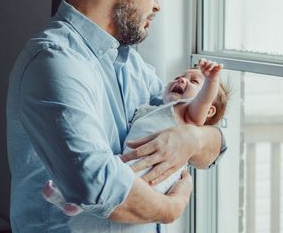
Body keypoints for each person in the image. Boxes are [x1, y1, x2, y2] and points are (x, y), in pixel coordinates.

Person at [6, 0, 227, 232]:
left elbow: (214, 142)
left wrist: (191, 137)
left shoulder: (130, 64)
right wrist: (170, 207)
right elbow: (97, 186)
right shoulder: (53, 62)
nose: (157, 5)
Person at [42, 59, 229, 216]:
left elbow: (203, 101)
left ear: (208, 111)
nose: (182, 80)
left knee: (110, 181)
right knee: (108, 178)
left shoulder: (189, 114)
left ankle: (76, 203)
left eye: (195, 81)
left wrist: (212, 80)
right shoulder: (158, 107)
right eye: (180, 77)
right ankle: (75, 203)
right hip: (136, 162)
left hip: (152, 170)